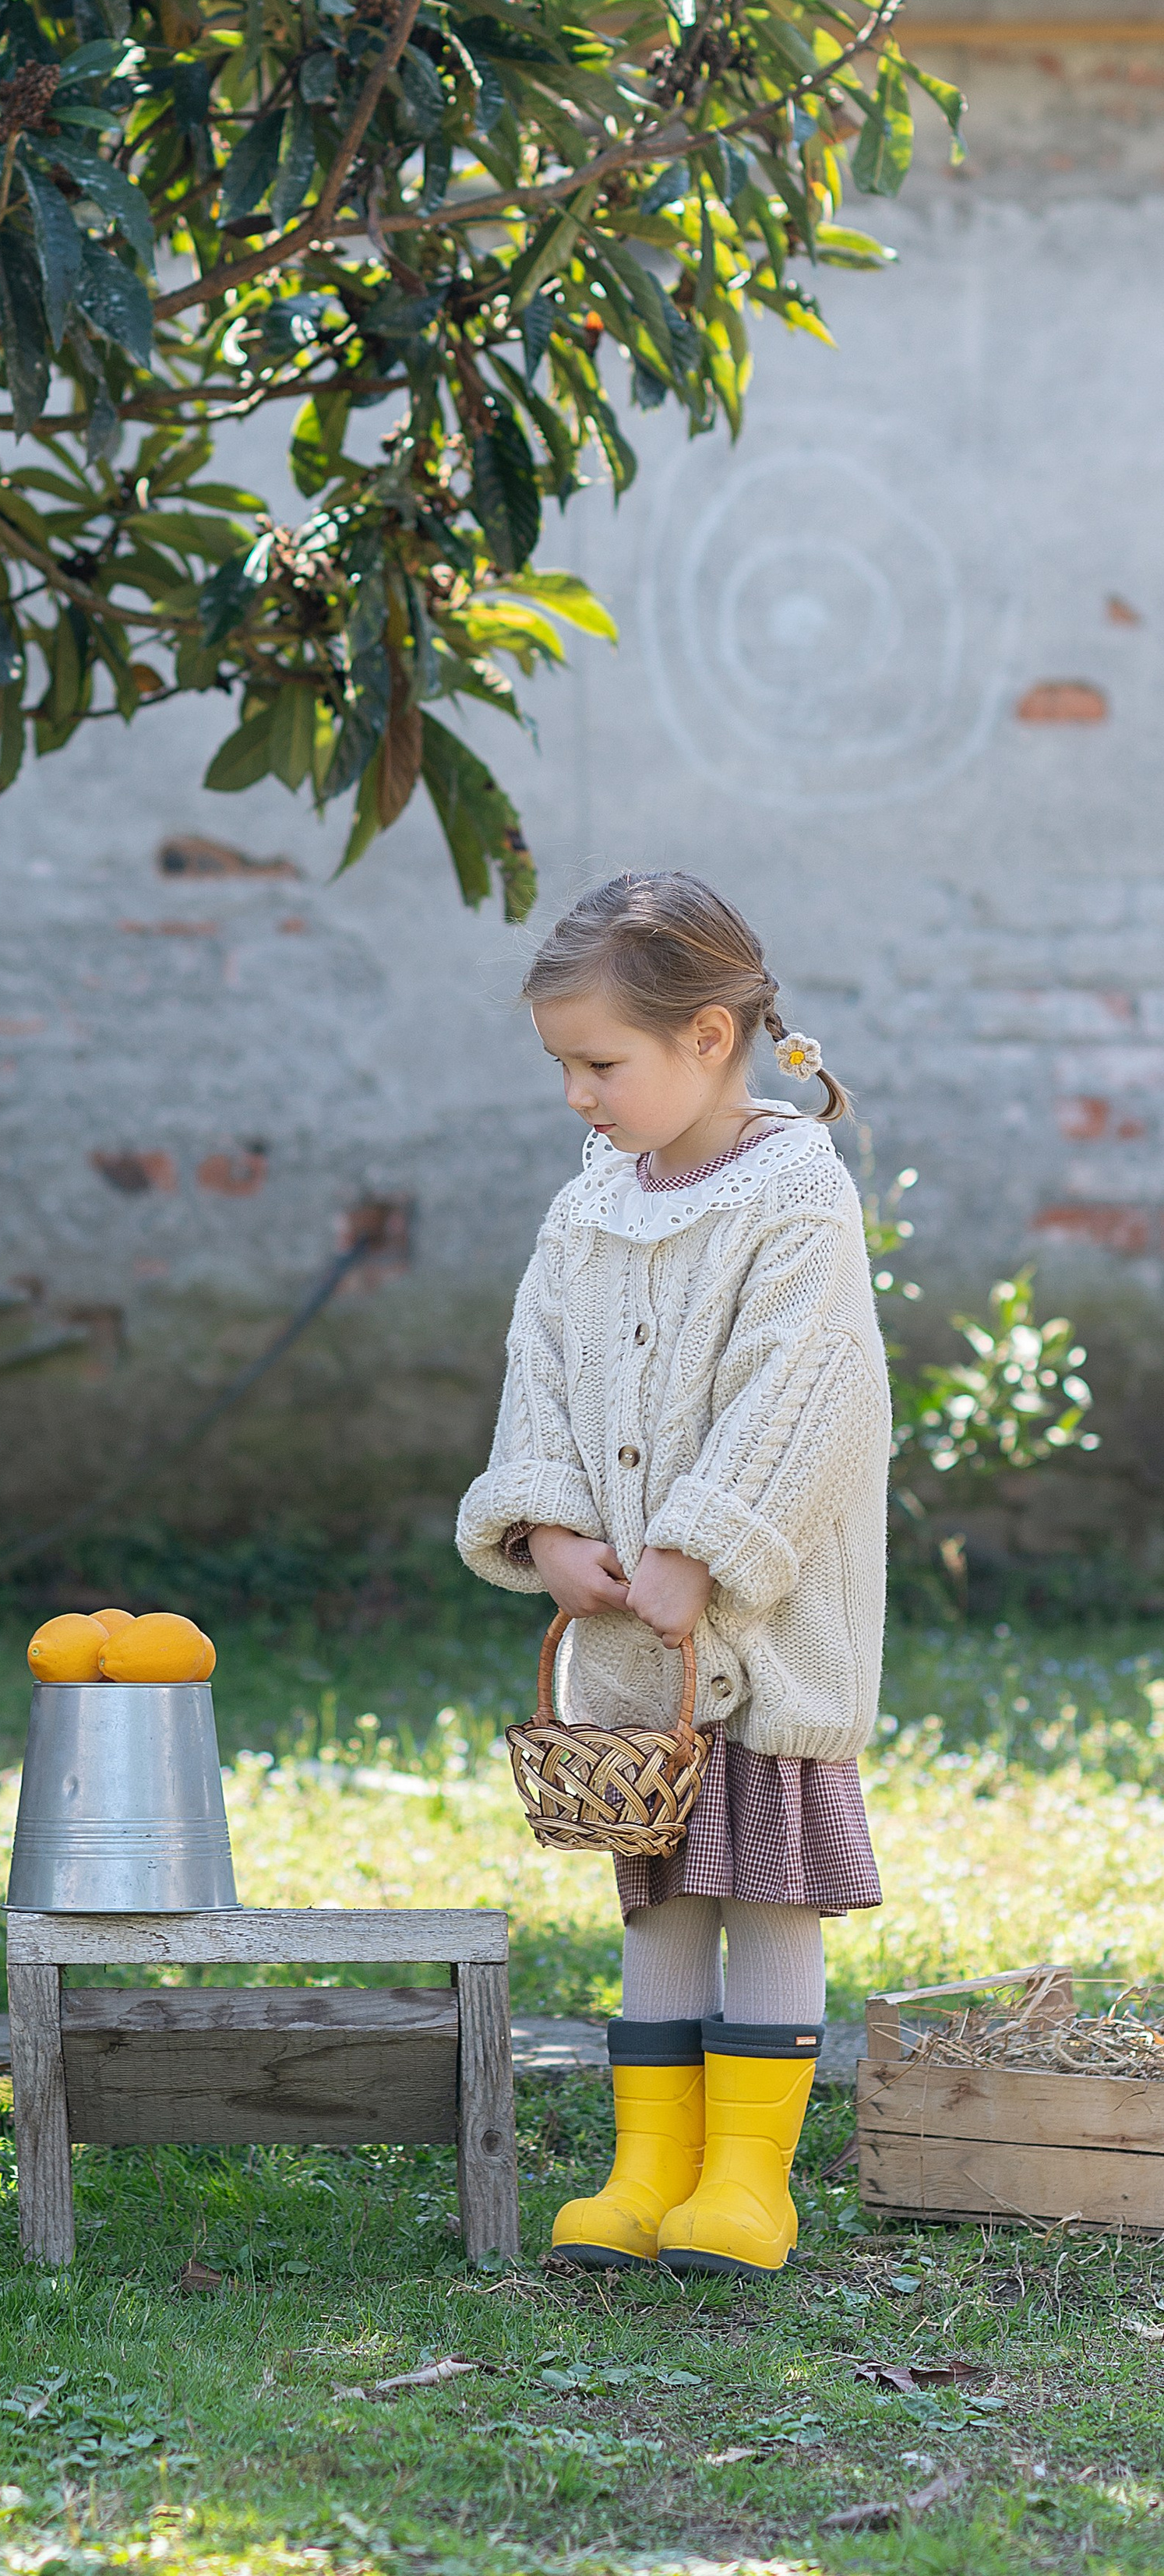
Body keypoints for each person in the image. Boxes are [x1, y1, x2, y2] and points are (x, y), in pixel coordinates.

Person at [457, 871, 890, 2278]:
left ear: (710, 1038)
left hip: (762, 1637)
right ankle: (650, 2166)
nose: (577, 1095)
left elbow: (802, 1396)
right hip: (640, 1654)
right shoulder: (593, 1205)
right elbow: (544, 1374)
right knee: (658, 1894)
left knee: (764, 1887)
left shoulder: (795, 1197)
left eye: (600, 1064)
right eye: (563, 1067)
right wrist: (547, 1525)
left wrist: (702, 1550)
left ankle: (750, 2179)